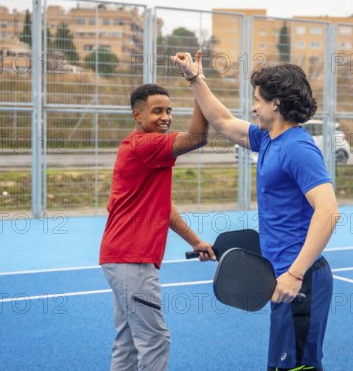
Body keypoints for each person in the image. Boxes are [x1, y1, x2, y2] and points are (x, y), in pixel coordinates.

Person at [172, 51, 340, 371]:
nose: (253, 107)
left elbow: (329, 211)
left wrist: (294, 273)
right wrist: (195, 78)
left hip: (299, 280)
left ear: (275, 102)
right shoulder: (267, 139)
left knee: (297, 368)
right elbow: (221, 121)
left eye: (257, 100)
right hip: (283, 276)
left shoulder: (297, 147)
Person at [99, 79, 216, 371]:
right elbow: (198, 137)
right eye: (157, 111)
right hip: (132, 259)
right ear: (137, 116)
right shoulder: (144, 145)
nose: (165, 117)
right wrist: (197, 83)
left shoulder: (142, 150)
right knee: (155, 340)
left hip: (121, 258)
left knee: (128, 343)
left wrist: (194, 241)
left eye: (168, 110)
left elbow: (163, 205)